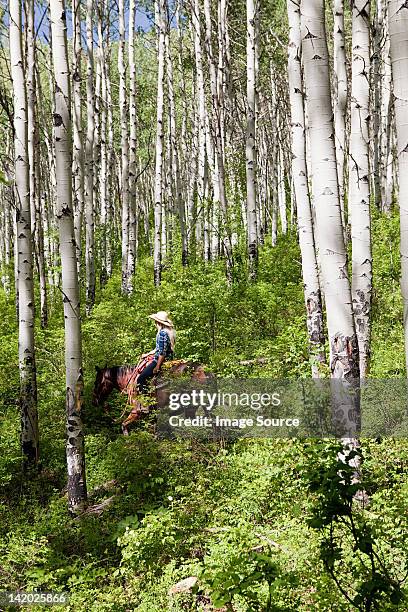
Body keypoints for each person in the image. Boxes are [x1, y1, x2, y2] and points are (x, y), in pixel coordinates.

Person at [136, 311, 176, 394]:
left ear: (157, 322)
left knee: (140, 379)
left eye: (155, 321)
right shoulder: (168, 332)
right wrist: (147, 354)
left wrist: (157, 366)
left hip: (160, 360)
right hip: (168, 358)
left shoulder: (162, 333)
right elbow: (158, 348)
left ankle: (146, 402)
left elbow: (162, 352)